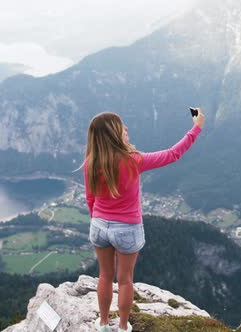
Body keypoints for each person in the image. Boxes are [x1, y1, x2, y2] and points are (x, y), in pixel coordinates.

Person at [83, 109, 205, 332]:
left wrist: (97, 220)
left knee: (104, 276)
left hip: (99, 225)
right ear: (114, 134)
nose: (127, 129)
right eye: (122, 127)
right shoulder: (133, 161)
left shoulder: (91, 162)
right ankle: (122, 327)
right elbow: (172, 154)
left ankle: (102, 324)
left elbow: (90, 197)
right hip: (127, 229)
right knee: (125, 280)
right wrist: (196, 128)